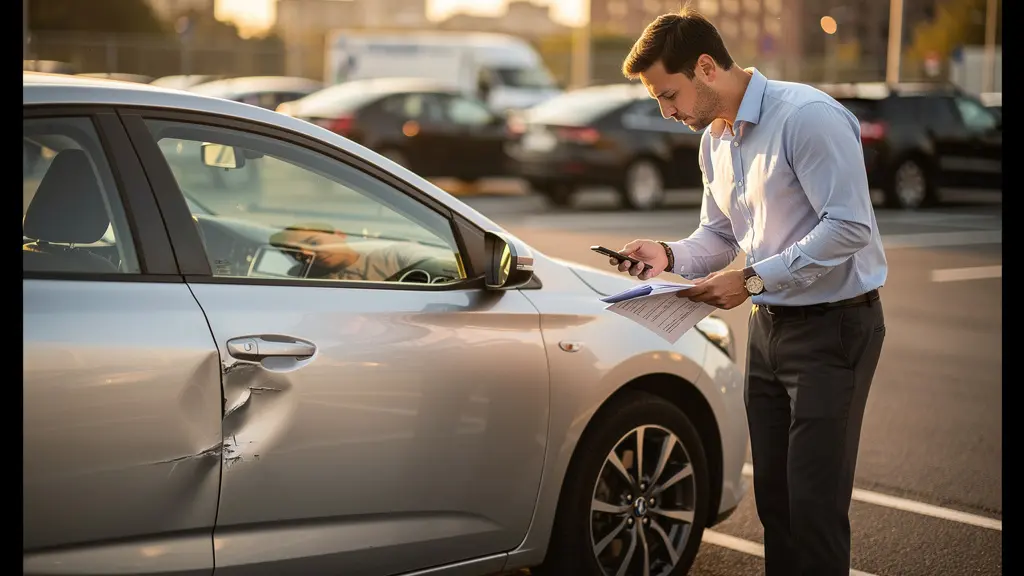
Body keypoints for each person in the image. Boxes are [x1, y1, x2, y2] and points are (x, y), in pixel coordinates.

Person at [611, 8, 888, 576]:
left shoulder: (807, 116)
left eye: (669, 95)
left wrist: (754, 280)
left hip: (835, 329)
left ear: (706, 67)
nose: (667, 113)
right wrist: (665, 256)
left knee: (813, 510)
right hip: (768, 328)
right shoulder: (714, 139)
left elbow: (850, 227)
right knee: (776, 508)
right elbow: (718, 237)